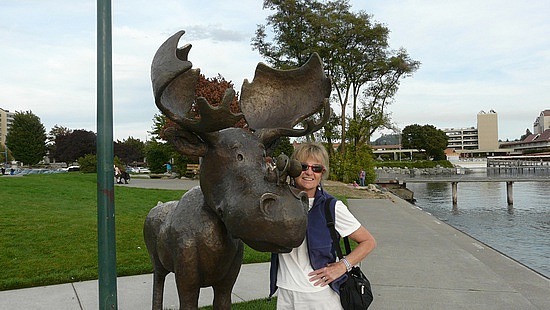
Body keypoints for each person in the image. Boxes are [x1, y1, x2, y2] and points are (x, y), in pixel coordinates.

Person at [269, 142, 376, 310]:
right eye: (303, 166)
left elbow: (368, 242)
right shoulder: (280, 202)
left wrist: (342, 266)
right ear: (293, 169)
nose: (309, 172)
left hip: (320, 296)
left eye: (316, 168)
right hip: (286, 291)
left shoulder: (331, 206)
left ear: (322, 173)